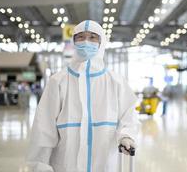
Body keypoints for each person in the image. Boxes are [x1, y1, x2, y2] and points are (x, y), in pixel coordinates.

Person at [27, 20, 139, 172]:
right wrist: (41, 166)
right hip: (66, 163)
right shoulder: (58, 81)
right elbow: (44, 127)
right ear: (73, 41)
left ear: (101, 42)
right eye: (80, 37)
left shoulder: (116, 81)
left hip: (105, 162)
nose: (86, 41)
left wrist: (126, 136)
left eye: (93, 37)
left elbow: (129, 113)